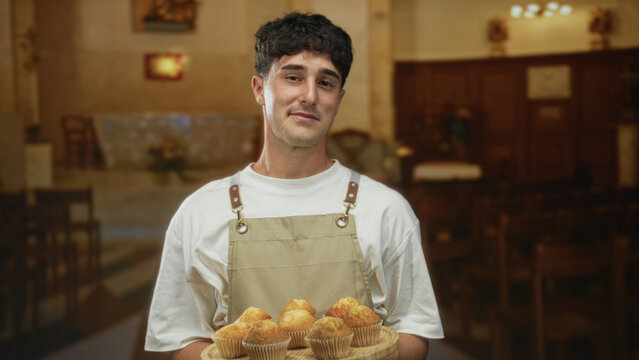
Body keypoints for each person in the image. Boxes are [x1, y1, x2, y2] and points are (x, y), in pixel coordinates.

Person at [144, 12, 443, 360]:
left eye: (326, 82)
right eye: (293, 77)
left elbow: (415, 332)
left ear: (339, 99)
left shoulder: (386, 209)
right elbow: (179, 340)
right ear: (260, 89)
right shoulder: (201, 211)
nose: (310, 95)